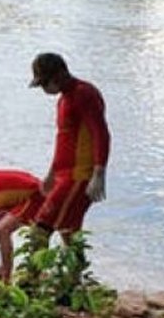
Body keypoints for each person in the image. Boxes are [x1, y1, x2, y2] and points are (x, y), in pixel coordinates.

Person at [27, 52, 110, 246]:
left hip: (78, 176)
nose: (44, 89)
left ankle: (33, 276)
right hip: (64, 175)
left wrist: (99, 174)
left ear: (59, 75)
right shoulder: (64, 100)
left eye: (45, 83)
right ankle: (75, 276)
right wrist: (51, 174)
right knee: (69, 232)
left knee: (39, 230)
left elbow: (101, 133)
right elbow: (63, 141)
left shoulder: (84, 93)